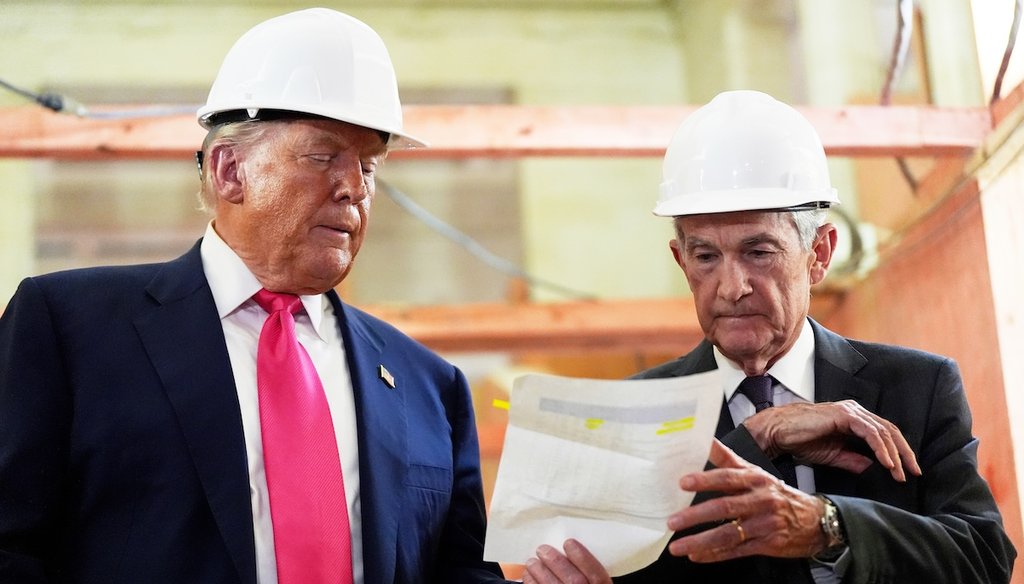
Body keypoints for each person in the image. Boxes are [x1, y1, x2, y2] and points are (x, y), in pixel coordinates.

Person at [0, 9, 512, 583]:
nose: (355, 188)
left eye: (369, 165)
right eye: (323, 157)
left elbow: (463, 572)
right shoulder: (70, 331)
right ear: (229, 170)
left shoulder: (429, 386)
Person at [521, 90, 1017, 584]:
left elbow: (984, 558)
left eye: (759, 252)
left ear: (819, 253)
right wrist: (760, 436)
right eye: (706, 257)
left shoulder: (917, 387)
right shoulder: (630, 413)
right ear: (681, 261)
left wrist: (829, 527)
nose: (732, 288)